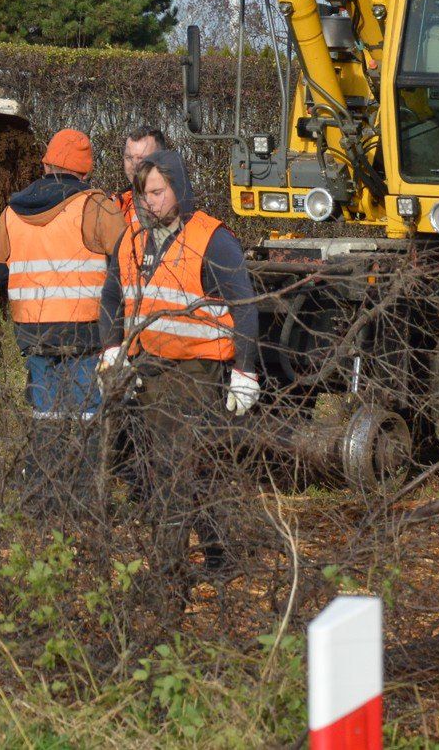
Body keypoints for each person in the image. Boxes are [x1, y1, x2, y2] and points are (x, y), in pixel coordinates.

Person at [98, 148, 260, 576]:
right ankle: (212, 555)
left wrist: (246, 371)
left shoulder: (213, 239)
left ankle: (176, 563)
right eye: (144, 193)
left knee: (181, 469)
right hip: (146, 368)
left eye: (157, 192)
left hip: (196, 373)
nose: (149, 201)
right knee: (162, 468)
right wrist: (112, 349)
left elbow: (245, 307)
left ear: (178, 189)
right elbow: (113, 297)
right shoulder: (132, 238)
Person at [0, 128, 123, 418]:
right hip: (85, 337)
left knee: (47, 426)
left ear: (45, 164)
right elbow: (126, 269)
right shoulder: (98, 206)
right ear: (85, 173)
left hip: (33, 334)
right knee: (88, 423)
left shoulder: (11, 212)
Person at [115, 125, 171, 228]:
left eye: (142, 158)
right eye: (129, 158)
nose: (134, 166)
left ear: (162, 159)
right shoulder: (116, 205)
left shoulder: (175, 204)